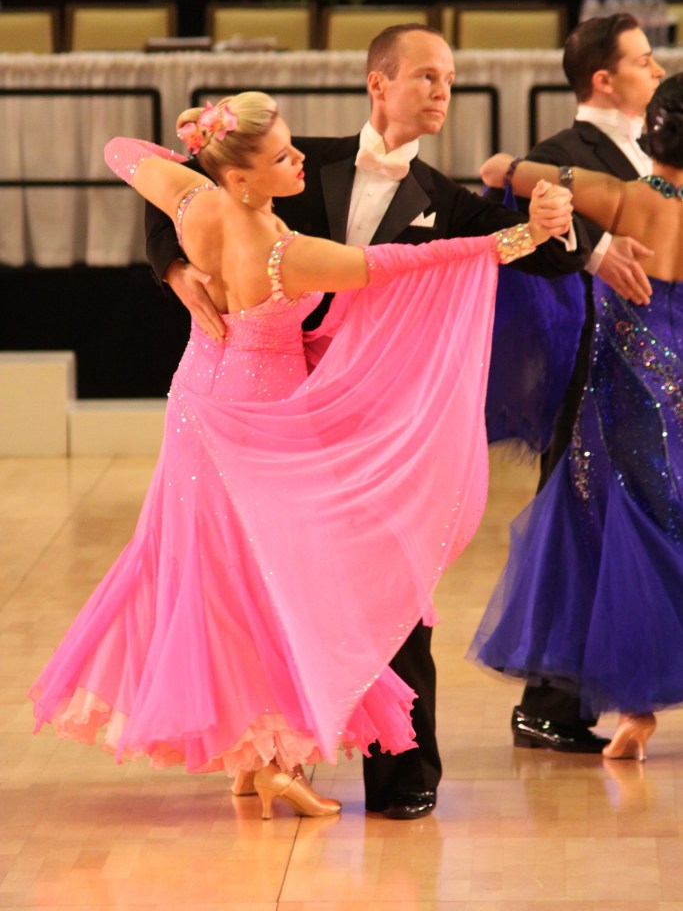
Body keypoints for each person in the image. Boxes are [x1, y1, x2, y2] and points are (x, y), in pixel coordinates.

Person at [28, 91, 572, 821]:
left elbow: (121, 151)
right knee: (278, 588)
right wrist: (517, 240)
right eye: (283, 156)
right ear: (243, 177)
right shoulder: (290, 254)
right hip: (266, 424)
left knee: (220, 581)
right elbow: (409, 263)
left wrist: (183, 245)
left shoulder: (196, 203)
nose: (300, 161)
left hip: (196, 404)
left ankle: (252, 763)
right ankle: (273, 764)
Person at [471, 72, 683, 762]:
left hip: (617, 399)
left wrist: (536, 177)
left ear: (649, 133)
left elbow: (497, 170)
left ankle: (634, 710)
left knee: (611, 536)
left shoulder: (622, 197)